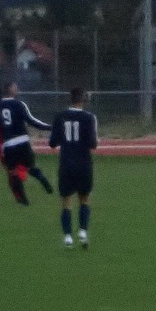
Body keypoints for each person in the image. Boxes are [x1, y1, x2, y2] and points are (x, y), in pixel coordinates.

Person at [0, 83, 54, 205]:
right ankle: (41, 178)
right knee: (30, 167)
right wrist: (50, 127)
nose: (17, 90)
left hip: (7, 144)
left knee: (12, 172)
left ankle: (23, 200)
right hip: (23, 141)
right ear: (10, 90)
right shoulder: (19, 104)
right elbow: (32, 120)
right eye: (15, 88)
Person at [49, 87, 99, 248]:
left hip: (66, 164)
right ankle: (83, 232)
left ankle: (68, 237)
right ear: (83, 100)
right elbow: (93, 144)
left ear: (70, 99)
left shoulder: (60, 117)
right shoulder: (89, 117)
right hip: (84, 164)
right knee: (84, 199)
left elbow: (52, 143)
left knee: (66, 202)